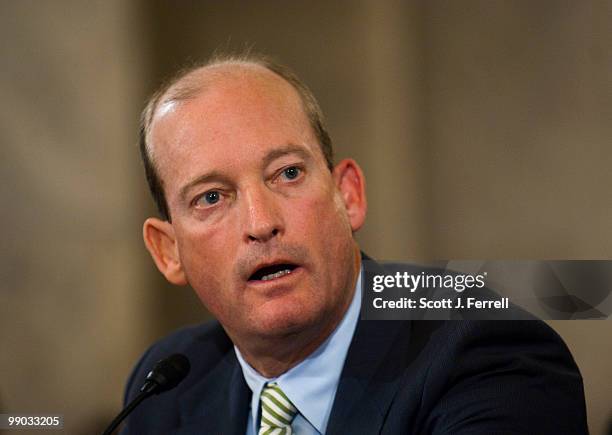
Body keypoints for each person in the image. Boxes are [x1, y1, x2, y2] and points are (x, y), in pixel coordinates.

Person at [121, 53, 588, 434]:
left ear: (348, 195)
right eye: (211, 197)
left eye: (287, 173)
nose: (261, 223)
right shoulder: (166, 389)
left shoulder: (487, 354)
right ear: (168, 251)